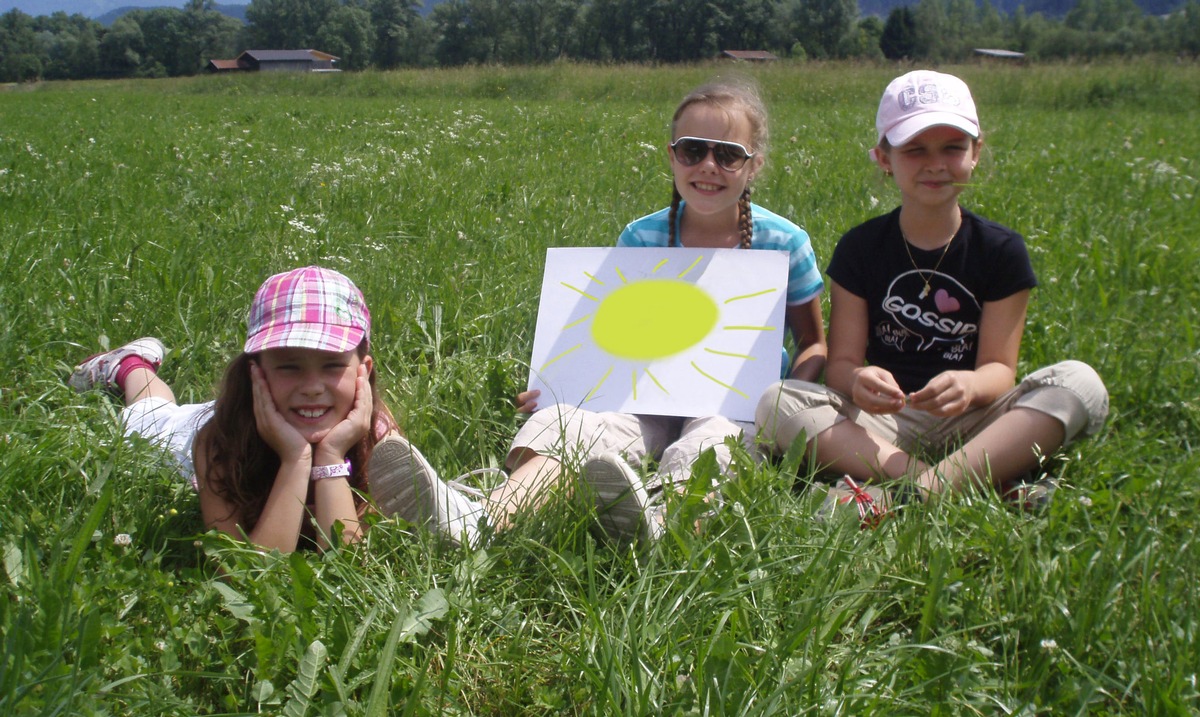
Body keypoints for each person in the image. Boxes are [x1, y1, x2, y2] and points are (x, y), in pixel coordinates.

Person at [483, 78, 827, 544]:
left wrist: (783, 404)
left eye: (727, 155)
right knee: (576, 425)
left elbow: (813, 344)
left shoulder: (785, 243)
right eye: (692, 151)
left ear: (754, 166)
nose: (708, 166)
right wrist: (556, 387)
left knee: (717, 446)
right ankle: (486, 520)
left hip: (735, 402)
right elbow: (604, 333)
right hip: (641, 393)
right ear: (672, 156)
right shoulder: (640, 237)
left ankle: (663, 528)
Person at [756, 70, 1109, 524]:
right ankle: (975, 485)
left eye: (953, 148)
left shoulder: (1000, 250)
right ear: (884, 158)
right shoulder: (860, 247)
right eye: (915, 150)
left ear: (976, 153)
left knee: (1080, 382)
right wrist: (860, 379)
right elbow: (841, 366)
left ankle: (909, 497)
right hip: (882, 422)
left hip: (976, 420)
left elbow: (1000, 370)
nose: (935, 164)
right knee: (777, 400)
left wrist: (971, 386)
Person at [69, 266, 481, 552]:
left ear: (363, 372)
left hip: (280, 418)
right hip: (183, 432)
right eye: (288, 366)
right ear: (256, 373)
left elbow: (347, 563)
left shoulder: (374, 435)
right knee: (148, 414)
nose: (312, 388)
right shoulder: (217, 442)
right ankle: (129, 366)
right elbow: (250, 575)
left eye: (333, 365)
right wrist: (297, 458)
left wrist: (331, 455)